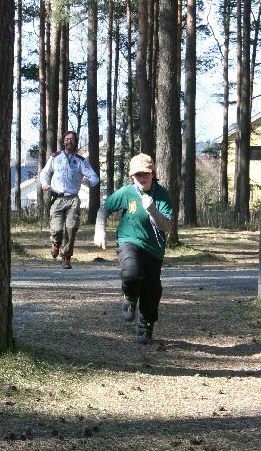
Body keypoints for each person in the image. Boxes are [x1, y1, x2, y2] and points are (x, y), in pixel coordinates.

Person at [93, 153, 173, 345]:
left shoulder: (162, 195)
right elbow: (104, 209)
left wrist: (152, 209)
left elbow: (167, 226)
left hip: (154, 250)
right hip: (129, 241)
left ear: (153, 173)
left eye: (145, 173)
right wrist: (100, 230)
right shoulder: (126, 192)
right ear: (132, 176)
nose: (142, 178)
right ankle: (129, 297)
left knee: (152, 292)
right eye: (138, 175)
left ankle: (145, 326)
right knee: (131, 272)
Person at [40, 131, 100, 269]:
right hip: (57, 198)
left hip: (73, 199)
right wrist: (44, 183)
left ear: (75, 142)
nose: (69, 142)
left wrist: (87, 181)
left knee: (71, 228)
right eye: (67, 139)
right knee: (57, 229)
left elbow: (94, 178)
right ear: (63, 141)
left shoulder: (80, 161)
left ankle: (66, 257)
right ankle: (56, 243)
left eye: (72, 139)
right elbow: (45, 172)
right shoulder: (55, 157)